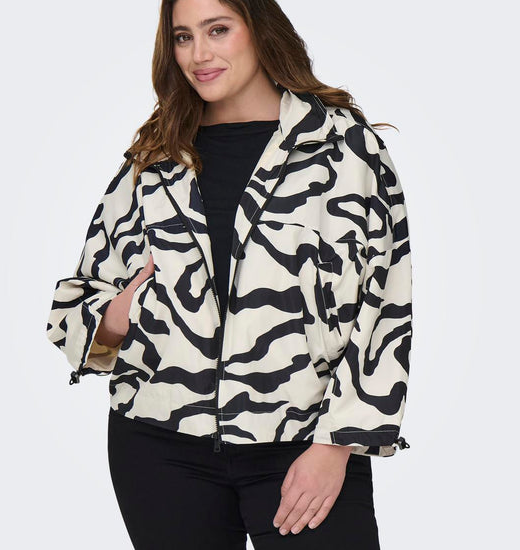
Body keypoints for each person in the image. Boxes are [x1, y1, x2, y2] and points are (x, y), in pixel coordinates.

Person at [45, 0, 413, 548]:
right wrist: (117, 316)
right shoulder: (156, 157)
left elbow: (385, 304)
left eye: (217, 30)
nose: (199, 53)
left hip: (303, 439)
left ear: (259, 30)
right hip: (158, 444)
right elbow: (79, 297)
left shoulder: (343, 150)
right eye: (183, 37)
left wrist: (337, 444)